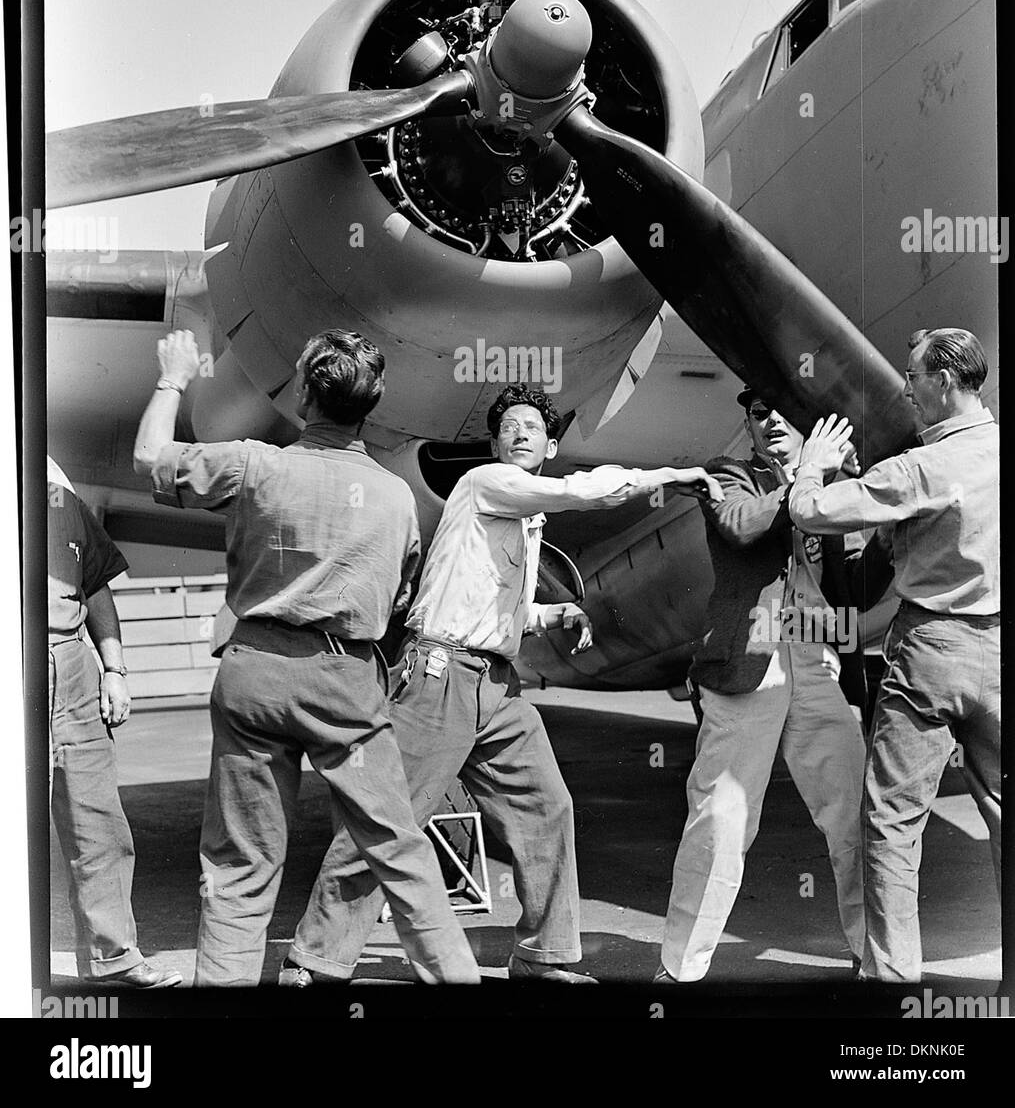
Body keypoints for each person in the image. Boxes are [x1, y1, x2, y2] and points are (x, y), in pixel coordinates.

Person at [281, 383, 723, 985]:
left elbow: (490, 607)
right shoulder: (486, 485)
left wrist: (550, 615)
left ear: (550, 443)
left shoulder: (524, 517)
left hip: (498, 686)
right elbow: (577, 491)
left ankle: (544, 956)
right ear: (493, 444)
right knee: (390, 818)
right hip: (440, 676)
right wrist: (667, 476)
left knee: (547, 807)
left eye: (532, 427)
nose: (519, 433)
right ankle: (315, 958)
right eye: (508, 426)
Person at [133, 329, 479, 987]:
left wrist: (173, 377)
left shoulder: (254, 464)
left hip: (253, 672)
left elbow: (152, 458)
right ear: (368, 407)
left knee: (241, 864)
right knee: (397, 849)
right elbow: (401, 594)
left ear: (302, 395)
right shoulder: (396, 498)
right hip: (344, 678)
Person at [655, 389, 892, 983]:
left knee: (856, 817)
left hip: (817, 660)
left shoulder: (829, 486)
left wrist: (878, 510)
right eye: (759, 413)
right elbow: (742, 527)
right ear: (749, 426)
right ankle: (679, 972)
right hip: (748, 663)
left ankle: (876, 960)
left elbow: (855, 582)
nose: (771, 421)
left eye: (782, 410)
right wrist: (806, 476)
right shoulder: (728, 474)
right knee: (722, 821)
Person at [788, 327, 999, 983]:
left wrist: (809, 468)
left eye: (911, 376)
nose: (903, 388)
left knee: (891, 821)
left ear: (940, 381)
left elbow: (814, 513)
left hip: (930, 650)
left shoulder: (920, 468)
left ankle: (890, 978)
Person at [47, 455, 182, 989]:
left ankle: (115, 956)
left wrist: (115, 669)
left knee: (96, 820)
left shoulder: (59, 493)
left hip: (74, 665)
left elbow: (95, 585)